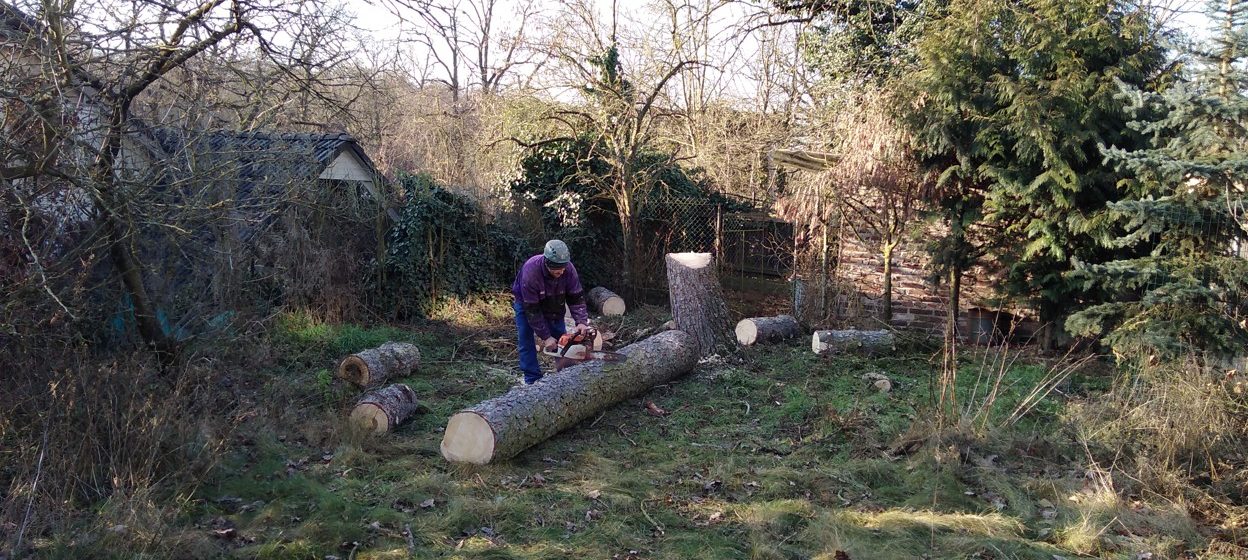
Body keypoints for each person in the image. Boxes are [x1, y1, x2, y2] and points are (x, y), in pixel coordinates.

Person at [512, 239, 591, 384]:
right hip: (526, 303)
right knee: (526, 338)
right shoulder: (531, 272)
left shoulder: (568, 270)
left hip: (554, 299)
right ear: (547, 263)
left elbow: (576, 297)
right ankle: (532, 379)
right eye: (557, 269)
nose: (561, 272)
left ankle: (566, 374)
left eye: (563, 268)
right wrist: (546, 337)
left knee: (561, 337)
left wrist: (581, 322)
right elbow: (532, 311)